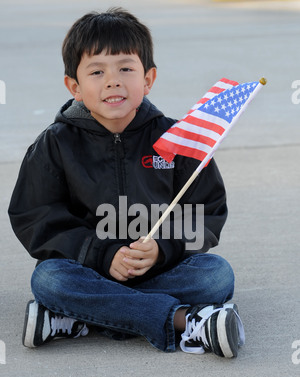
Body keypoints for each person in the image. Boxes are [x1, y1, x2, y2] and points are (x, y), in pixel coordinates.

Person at [8, 8, 245, 358]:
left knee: (216, 276)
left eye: (125, 68)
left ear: (148, 79)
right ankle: (187, 322)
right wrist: (101, 255)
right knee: (50, 279)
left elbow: (207, 211)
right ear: (74, 86)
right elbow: (35, 216)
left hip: (159, 269)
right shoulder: (56, 144)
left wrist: (163, 248)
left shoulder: (176, 139)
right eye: (97, 71)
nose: (113, 80)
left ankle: (80, 318)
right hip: (89, 270)